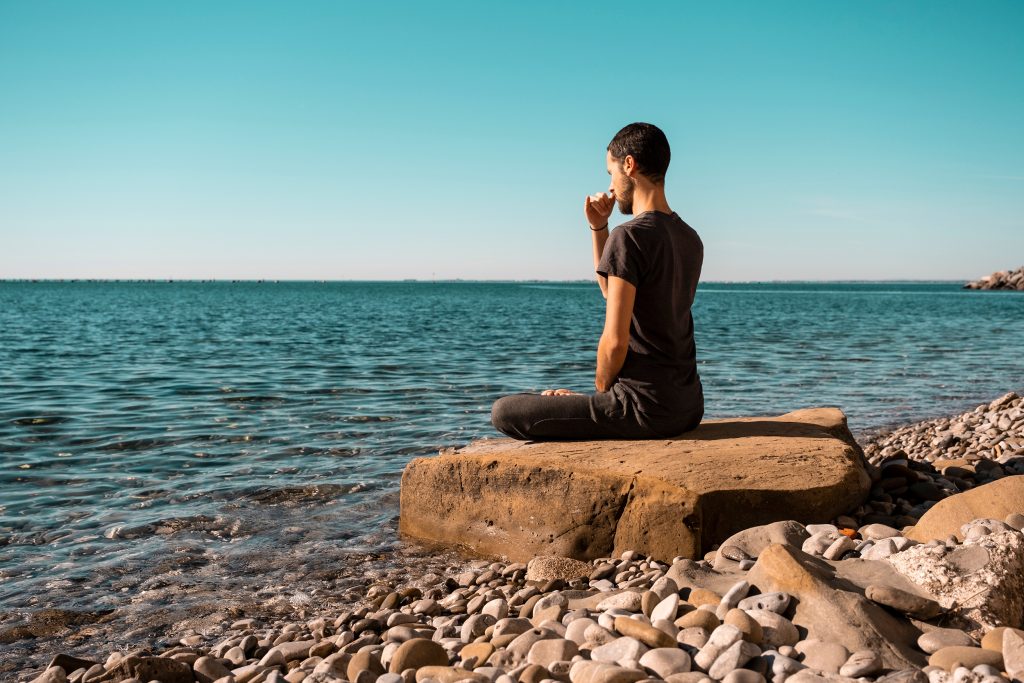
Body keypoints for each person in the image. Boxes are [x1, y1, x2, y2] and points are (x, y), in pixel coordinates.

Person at [490, 122, 705, 441]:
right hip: (688, 407)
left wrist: (598, 396)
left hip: (644, 410)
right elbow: (612, 291)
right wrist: (598, 227)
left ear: (629, 165)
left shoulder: (630, 236)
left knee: (505, 411)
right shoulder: (690, 237)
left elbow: (615, 342)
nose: (612, 187)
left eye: (611, 173)